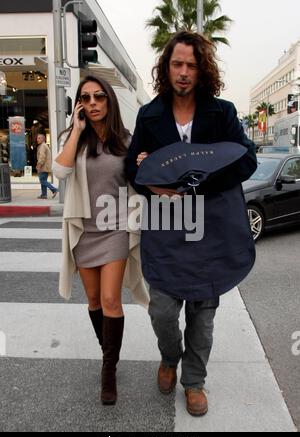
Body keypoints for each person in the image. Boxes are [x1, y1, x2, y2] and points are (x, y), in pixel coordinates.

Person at [126, 31, 257, 417]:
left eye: (192, 65)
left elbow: (246, 160)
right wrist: (146, 172)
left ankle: (194, 381)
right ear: (167, 68)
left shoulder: (223, 113)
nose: (184, 72)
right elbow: (131, 169)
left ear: (202, 70)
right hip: (165, 228)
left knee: (202, 316)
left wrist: (197, 179)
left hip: (211, 231)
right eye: (177, 64)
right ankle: (170, 357)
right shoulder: (149, 115)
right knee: (162, 310)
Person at [53, 75, 131, 406]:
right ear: (80, 105)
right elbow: (60, 172)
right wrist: (76, 130)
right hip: (84, 232)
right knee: (95, 301)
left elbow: (140, 180)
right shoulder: (73, 138)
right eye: (85, 98)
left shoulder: (126, 140)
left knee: (112, 300)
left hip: (117, 228)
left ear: (109, 101)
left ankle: (108, 371)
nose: (93, 102)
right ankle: (108, 353)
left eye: (99, 96)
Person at [36, 133, 58, 199]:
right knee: (43, 180)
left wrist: (39, 165)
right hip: (45, 166)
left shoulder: (43, 146)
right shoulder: (43, 145)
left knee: (42, 180)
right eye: (37, 138)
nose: (37, 139)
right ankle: (44, 195)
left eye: (39, 138)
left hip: (43, 166)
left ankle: (54, 189)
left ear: (43, 139)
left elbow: (42, 157)